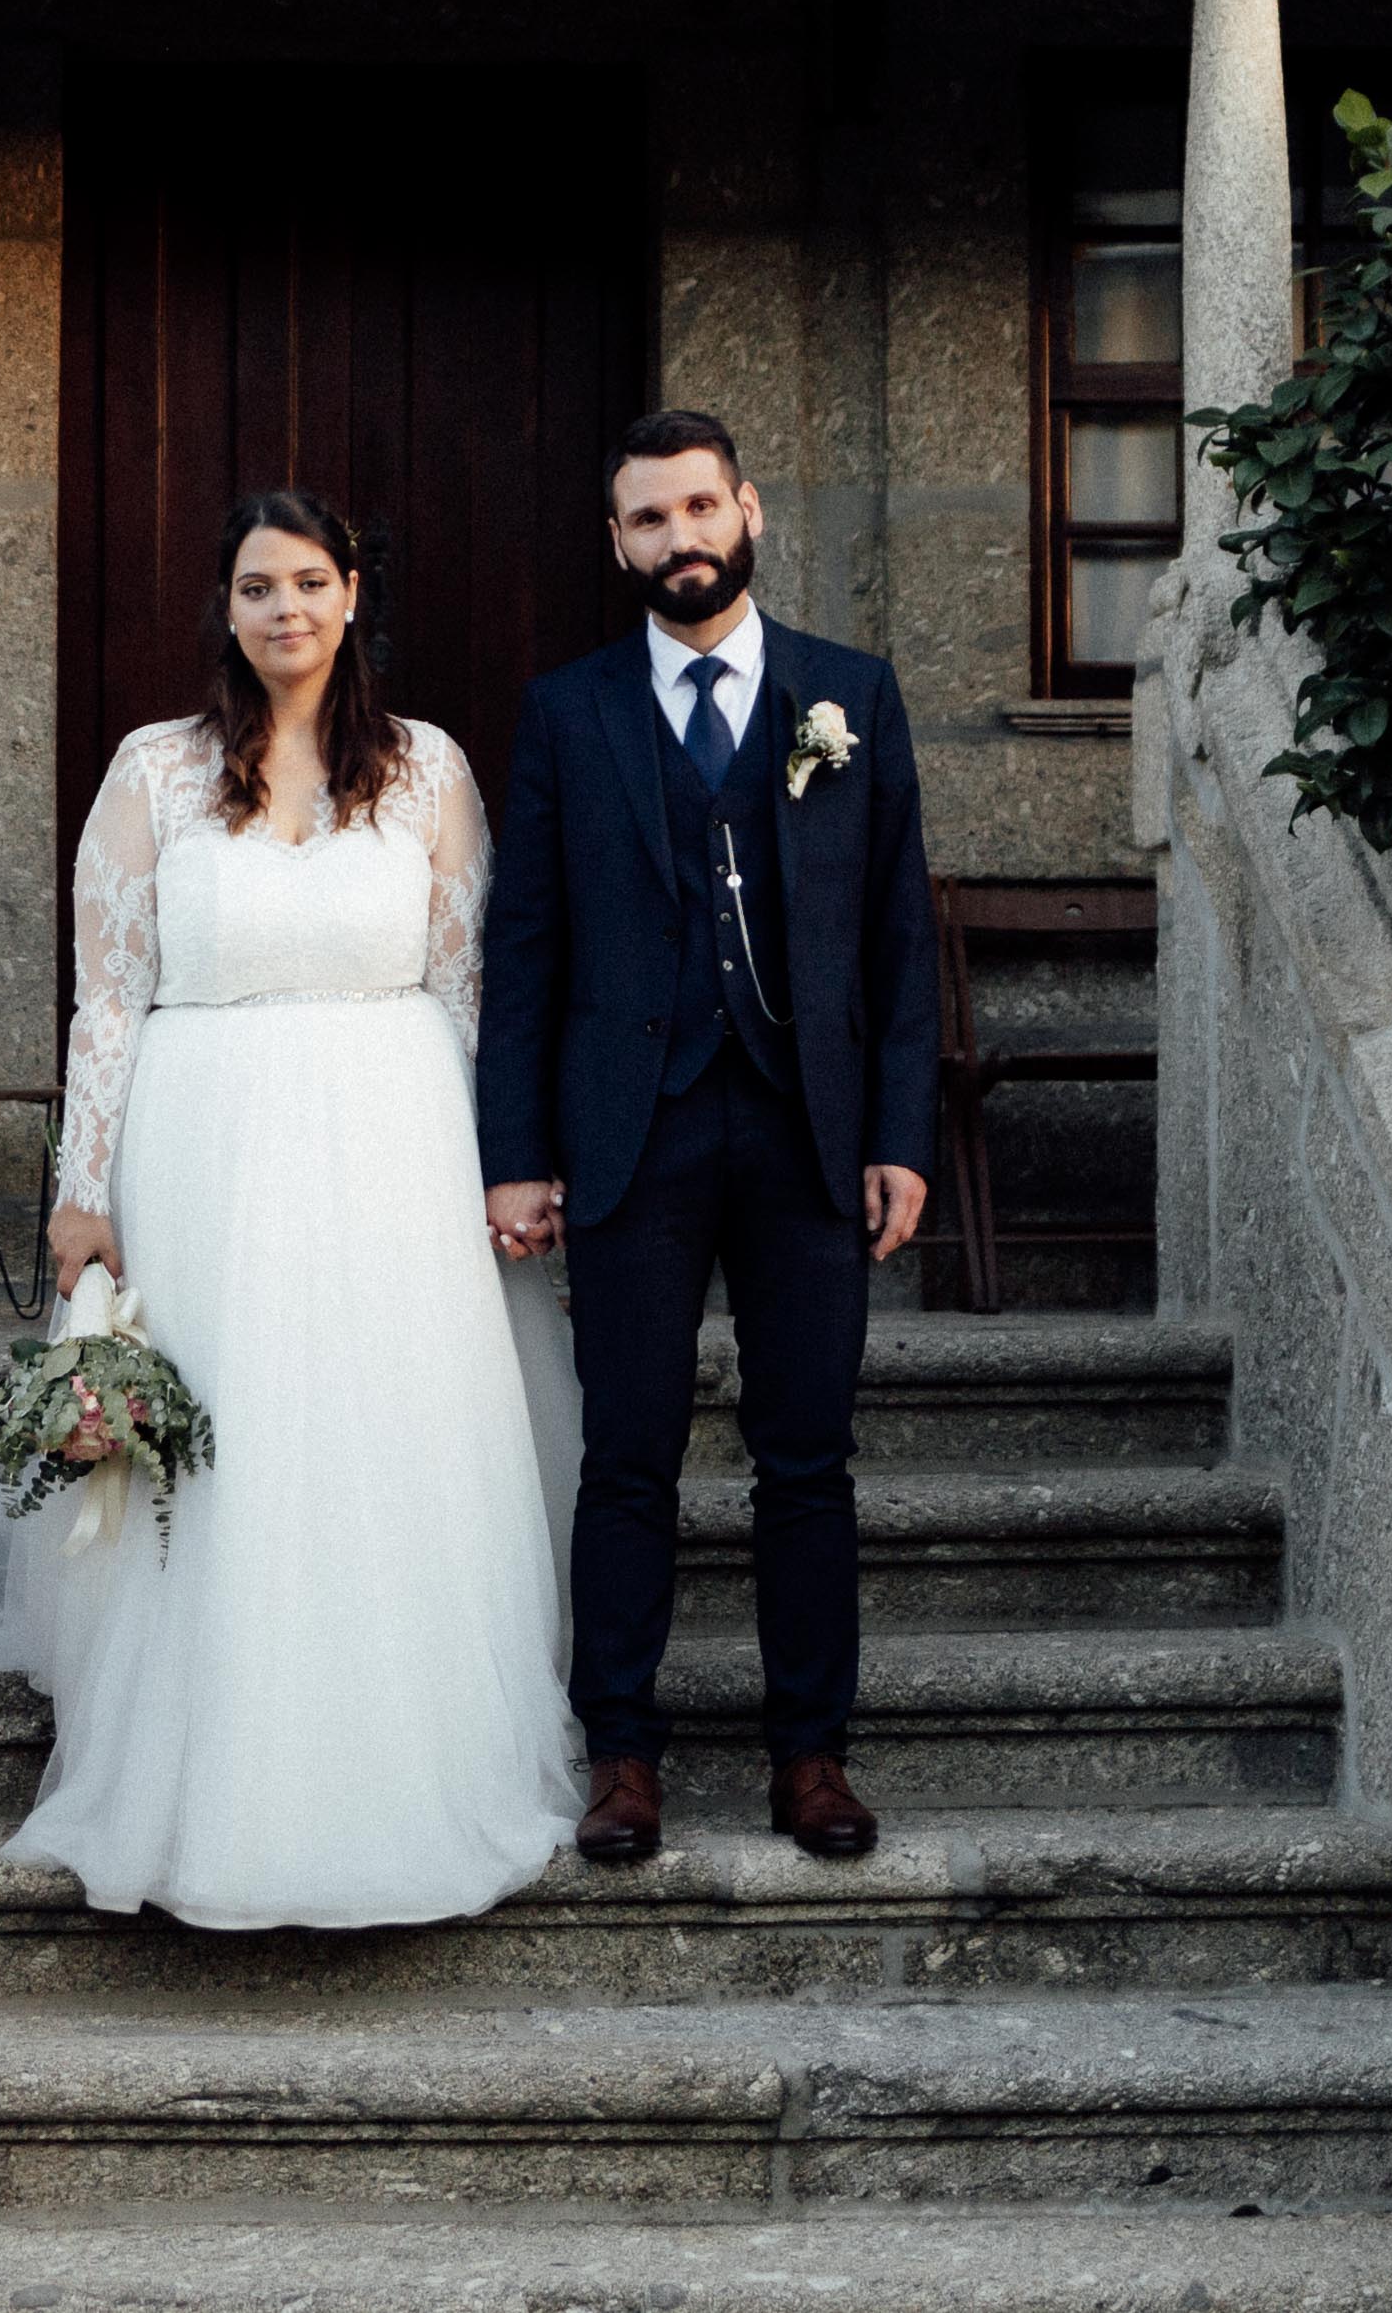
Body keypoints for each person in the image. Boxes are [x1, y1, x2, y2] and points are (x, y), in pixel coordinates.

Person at [0, 486, 581, 1927]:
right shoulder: (153, 772)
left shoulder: (426, 770)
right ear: (224, 611)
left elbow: (470, 984)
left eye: (306, 581)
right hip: (205, 1139)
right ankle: (202, 1780)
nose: (282, 608)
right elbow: (106, 994)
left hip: (392, 1141)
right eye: (253, 587)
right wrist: (79, 1191)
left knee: (382, 1437)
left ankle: (407, 1765)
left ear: (352, 592)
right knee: (228, 1448)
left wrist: (506, 1166)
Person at [476, 411, 936, 1866]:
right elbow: (527, 945)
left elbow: (894, 937)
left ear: (745, 507)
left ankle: (812, 1757)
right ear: (615, 543)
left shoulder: (846, 694)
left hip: (809, 1133)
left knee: (807, 1457)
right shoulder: (568, 711)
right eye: (646, 520)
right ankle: (622, 1755)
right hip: (629, 1135)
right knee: (628, 1456)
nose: (679, 539)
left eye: (696, 507)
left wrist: (900, 1134)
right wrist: (515, 1150)